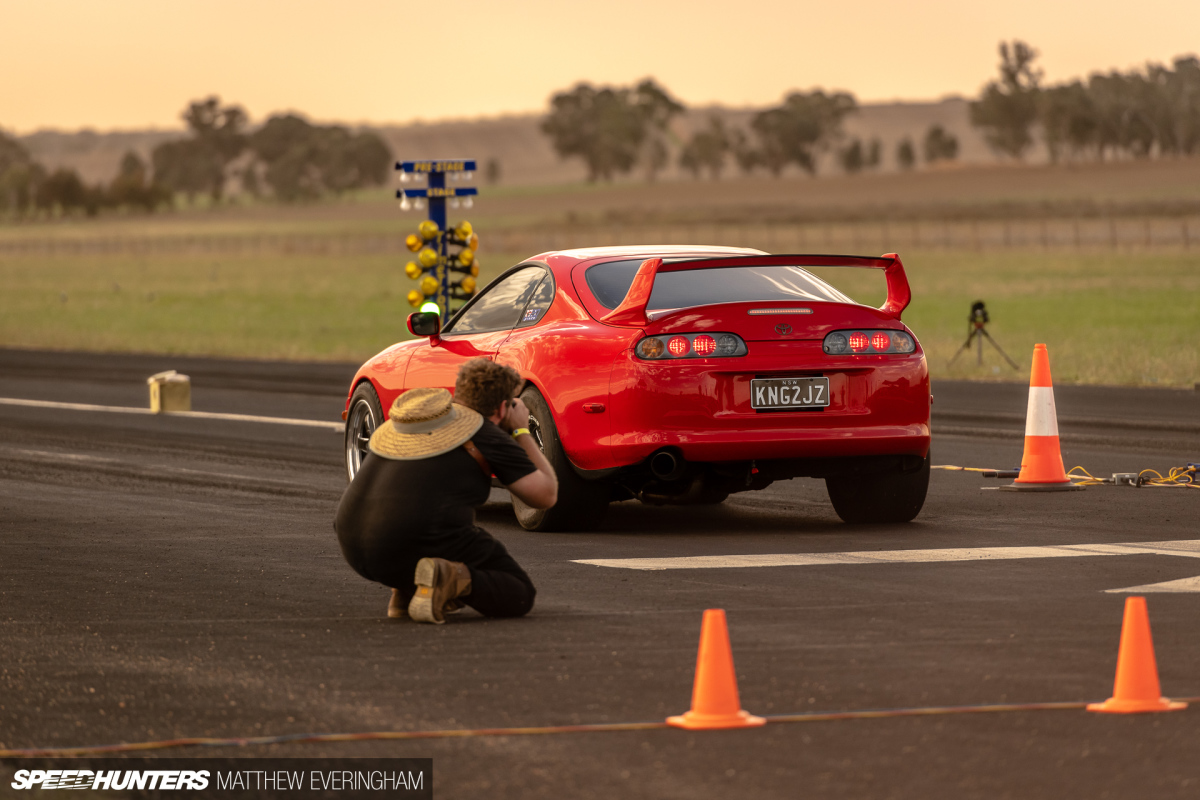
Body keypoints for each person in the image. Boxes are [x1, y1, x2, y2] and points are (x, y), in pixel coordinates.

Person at [334, 358, 557, 624]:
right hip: (406, 544)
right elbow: (545, 495)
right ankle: (444, 579)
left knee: (439, 521)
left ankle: (408, 591)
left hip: (352, 544)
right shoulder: (483, 431)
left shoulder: (415, 422)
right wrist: (521, 429)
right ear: (502, 407)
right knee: (517, 592)